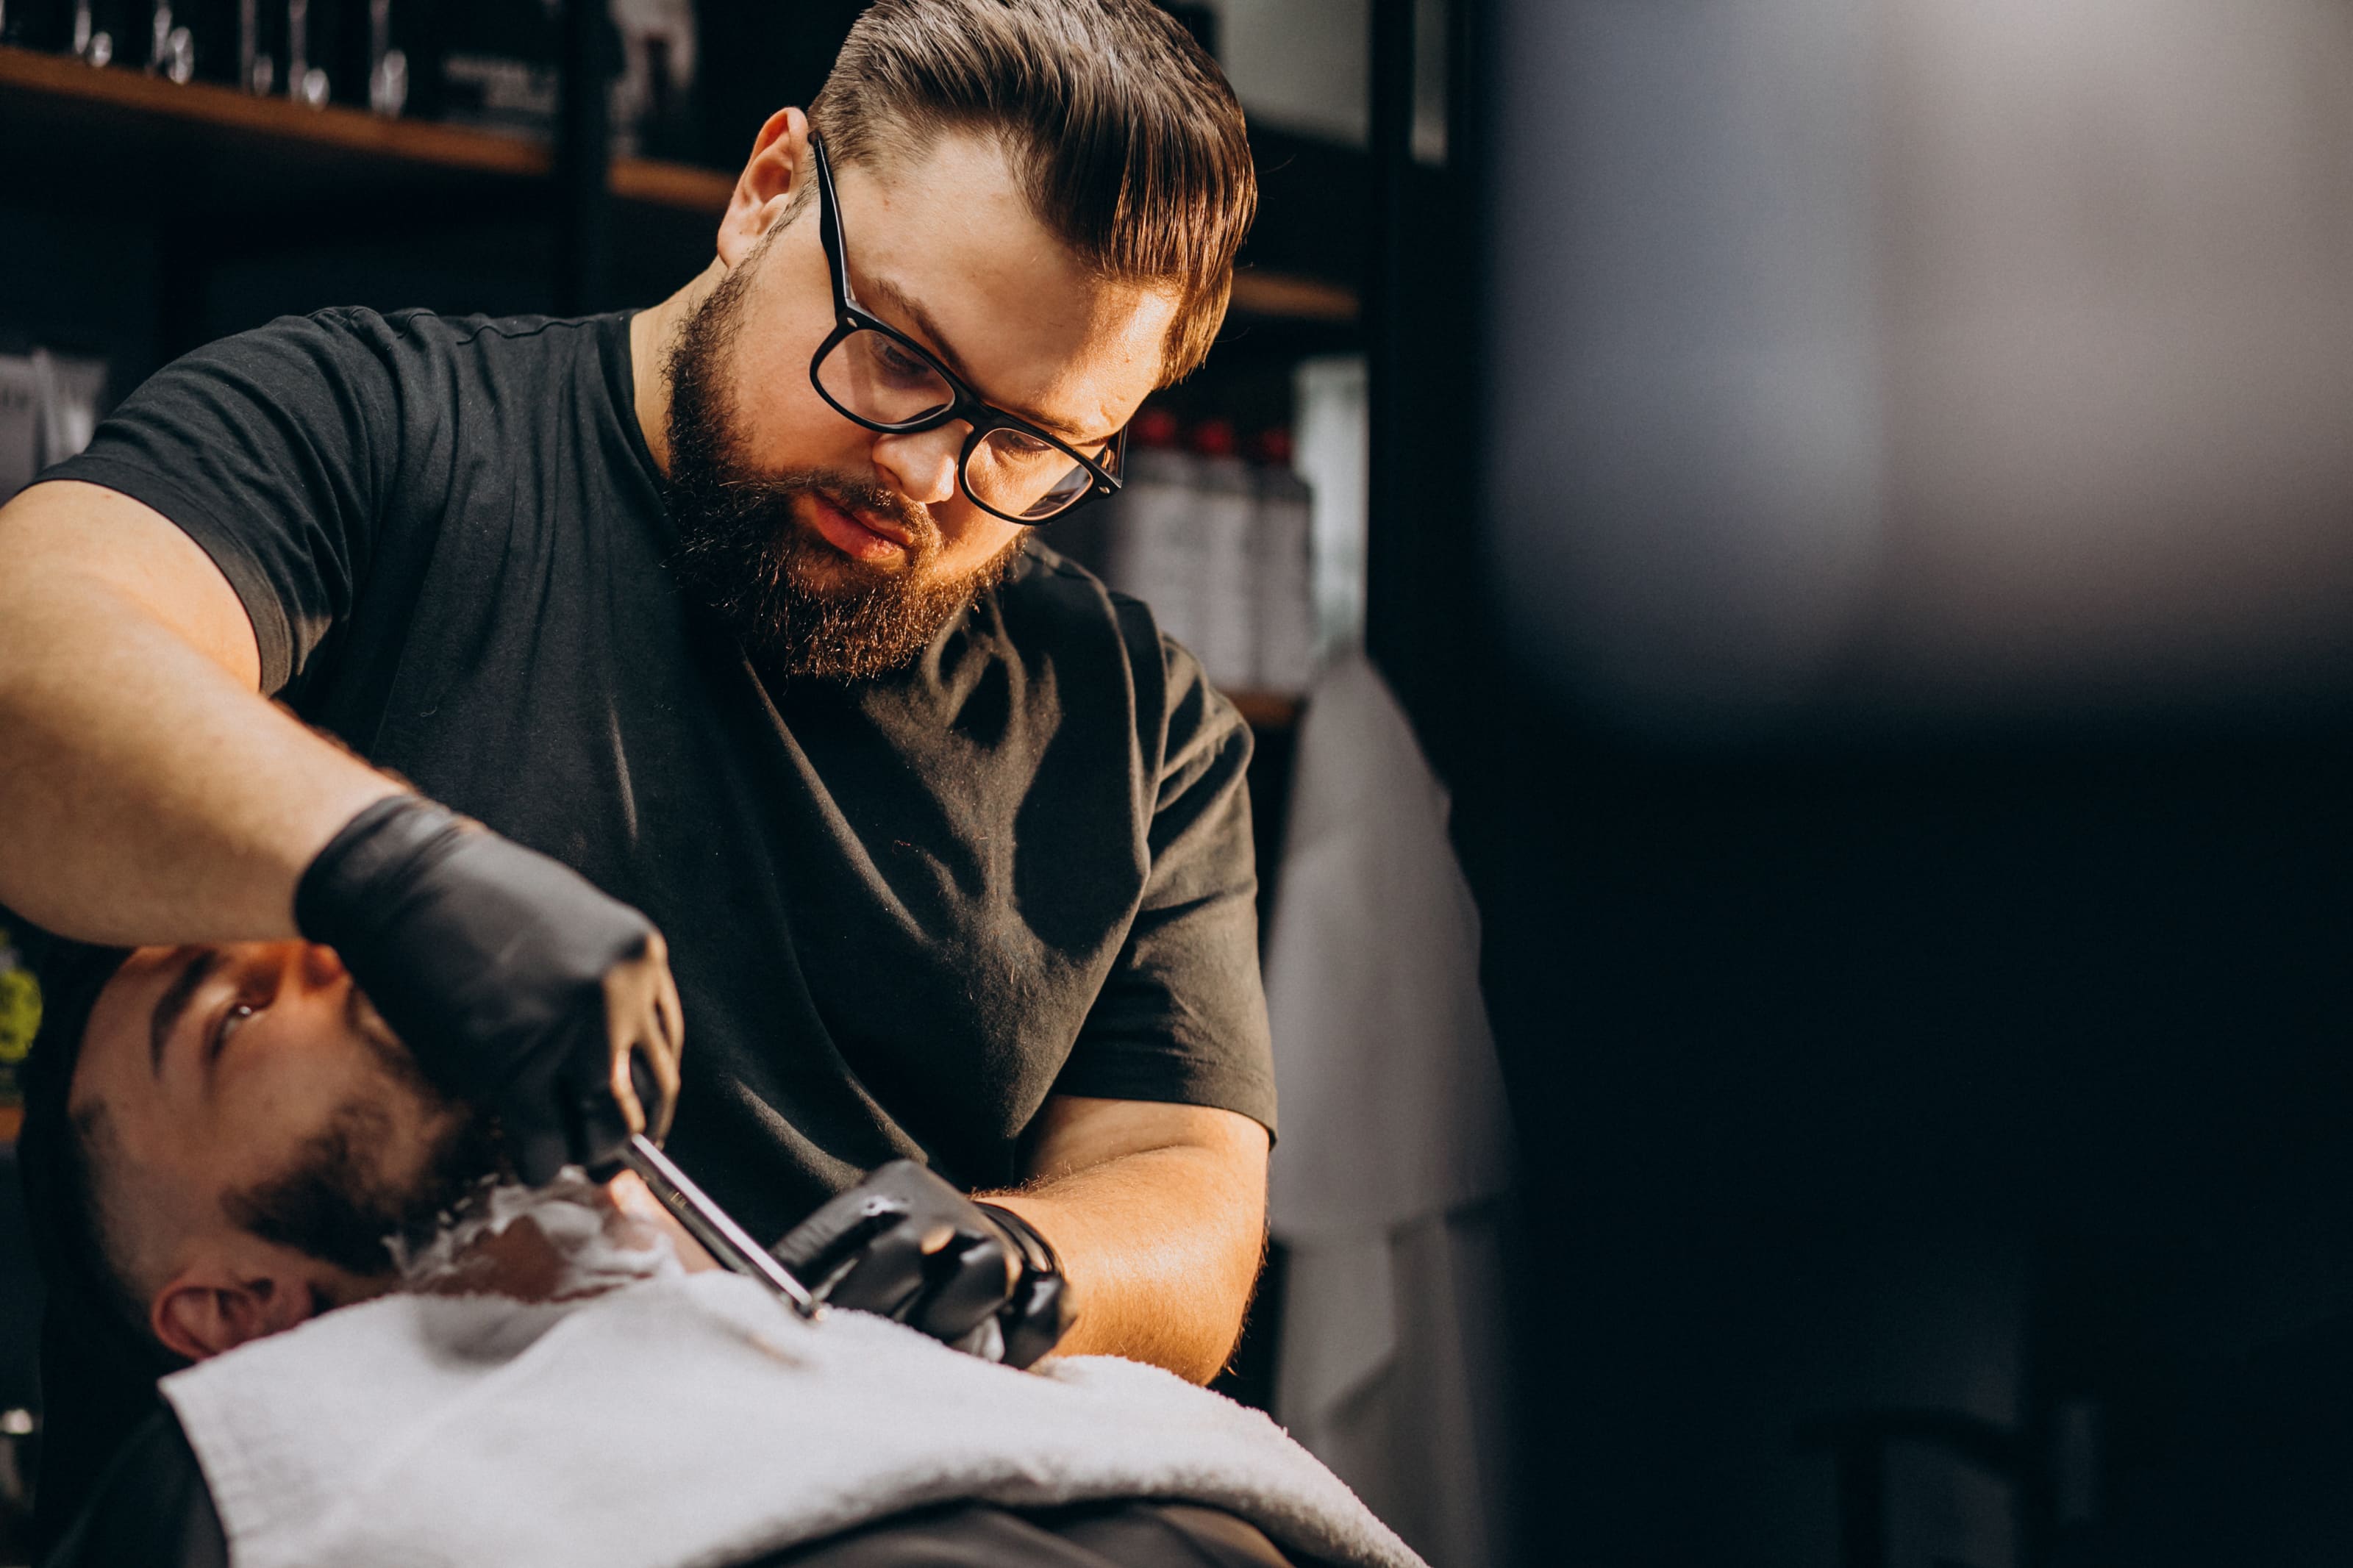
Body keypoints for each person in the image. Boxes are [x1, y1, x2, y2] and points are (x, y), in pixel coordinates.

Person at [0, 0, 1275, 1539]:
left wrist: (1026, 1254)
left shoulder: (1138, 724)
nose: (930, 477)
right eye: (896, 359)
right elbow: (30, 653)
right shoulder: (371, 432)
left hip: (836, 1481)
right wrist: (393, 870)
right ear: (766, 192)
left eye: (1028, 447)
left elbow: (1185, 1187)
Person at [22, 939, 1396, 1568]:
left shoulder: (911, 1358)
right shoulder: (252, 1472)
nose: (325, 956)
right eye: (235, 1011)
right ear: (235, 1313)